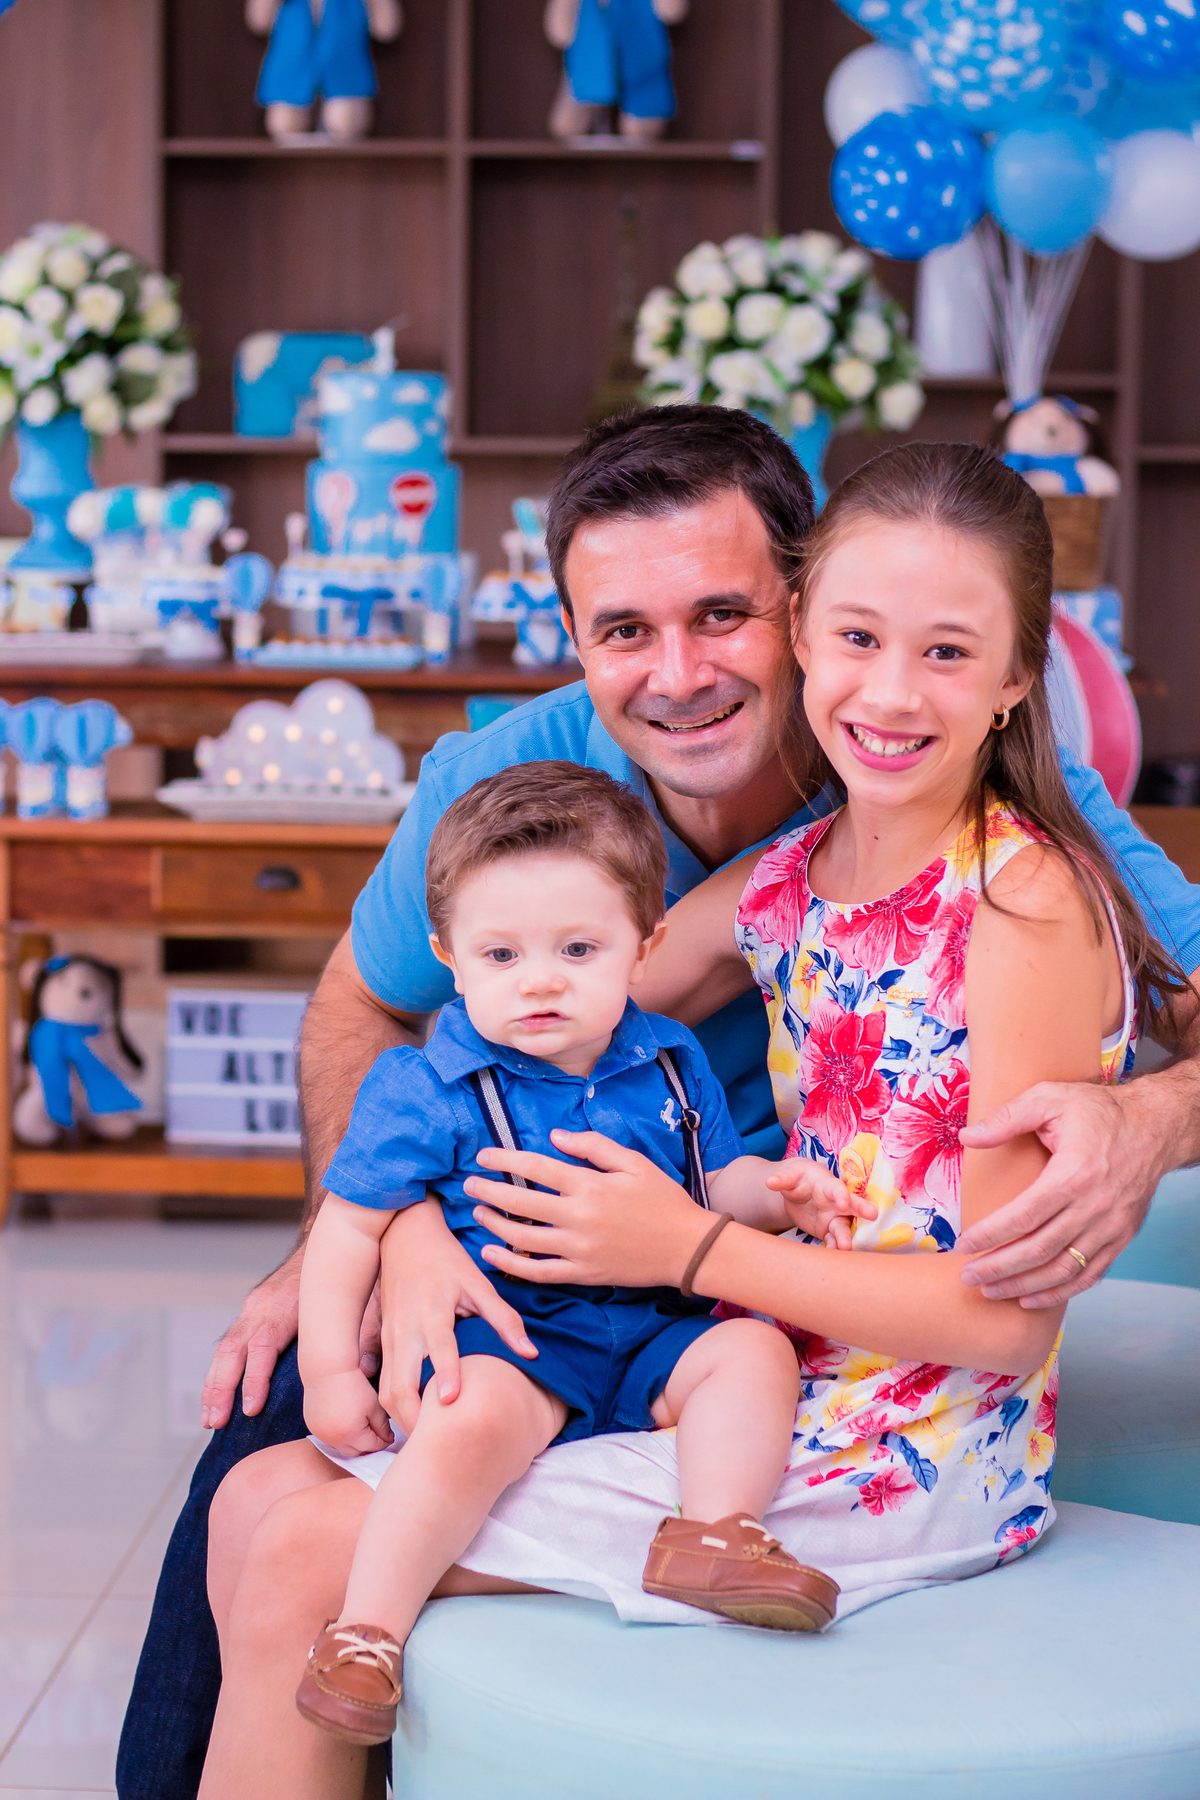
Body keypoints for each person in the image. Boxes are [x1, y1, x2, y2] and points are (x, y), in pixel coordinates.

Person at [117, 408, 1200, 1800]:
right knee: (259, 1474)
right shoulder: (751, 866)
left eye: (723, 615)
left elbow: (994, 1313)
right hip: (681, 1313)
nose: (680, 672)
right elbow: (448, 1006)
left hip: (841, 1383)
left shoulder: (1020, 879)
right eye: (625, 628)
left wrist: (1154, 1117)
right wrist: (390, 1221)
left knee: (300, 1550)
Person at [248, 763, 864, 1751]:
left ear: (644, 945)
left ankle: (713, 1531)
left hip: (659, 1329)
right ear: (450, 959)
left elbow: (707, 1191)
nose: (539, 979)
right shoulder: (427, 1086)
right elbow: (351, 1227)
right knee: (463, 1419)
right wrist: (326, 1368)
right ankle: (368, 1633)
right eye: (501, 954)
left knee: (754, 1357)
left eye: (578, 948)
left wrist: (779, 1190)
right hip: (521, 1341)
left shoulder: (669, 1059)